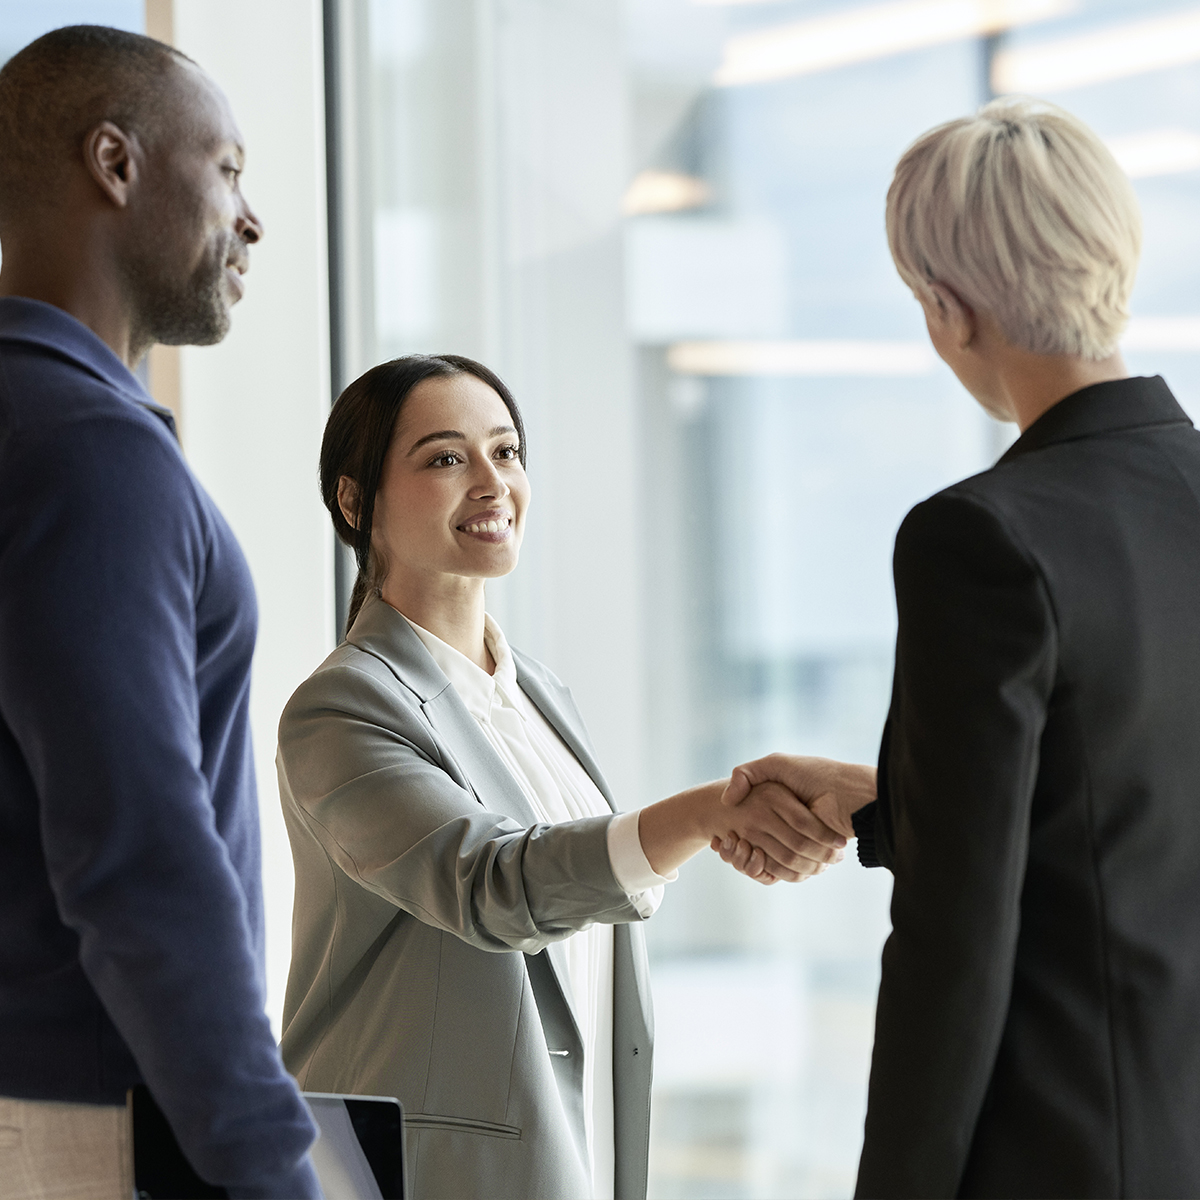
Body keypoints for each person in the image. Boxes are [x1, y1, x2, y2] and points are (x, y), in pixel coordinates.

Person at [723, 96, 1200, 1197]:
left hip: (1068, 1157)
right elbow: (1133, 796)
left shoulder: (979, 537)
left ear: (947, 309)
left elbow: (956, 939)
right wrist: (888, 798)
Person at [276, 353, 863, 1200]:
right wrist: (709, 814)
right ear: (355, 501)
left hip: (570, 1147)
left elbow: (585, 878)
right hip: (425, 1171)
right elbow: (493, 884)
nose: (490, 482)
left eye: (506, 452)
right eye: (446, 458)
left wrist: (739, 820)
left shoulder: (539, 693)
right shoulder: (340, 710)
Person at [0, 26, 320, 1199]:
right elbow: (135, 849)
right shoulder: (87, 451)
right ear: (115, 164)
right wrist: (273, 1163)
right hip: (81, 1127)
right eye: (228, 168)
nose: (252, 218)